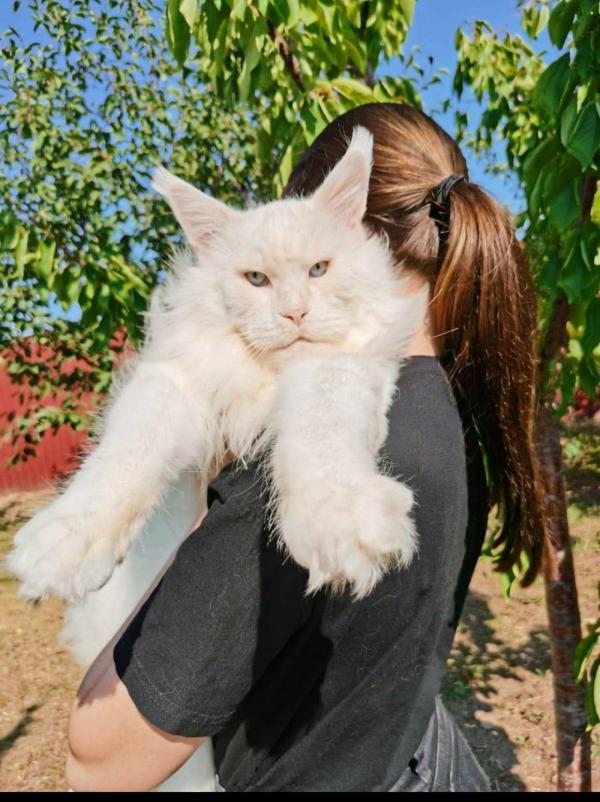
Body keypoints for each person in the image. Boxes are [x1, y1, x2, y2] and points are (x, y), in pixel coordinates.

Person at [65, 103, 545, 792]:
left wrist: (196, 516)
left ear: (345, 228)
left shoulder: (308, 464)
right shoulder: (450, 404)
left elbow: (99, 761)